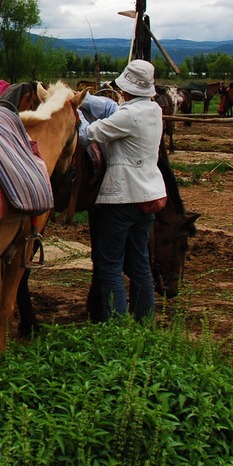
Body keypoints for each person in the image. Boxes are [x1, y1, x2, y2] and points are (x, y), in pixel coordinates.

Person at [79, 59, 166, 322]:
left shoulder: (127, 116)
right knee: (139, 264)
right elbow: (112, 108)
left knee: (110, 266)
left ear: (126, 88)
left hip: (122, 198)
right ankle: (144, 322)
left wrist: (76, 112)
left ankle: (116, 330)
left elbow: (88, 135)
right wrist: (86, 100)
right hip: (148, 196)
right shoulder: (154, 110)